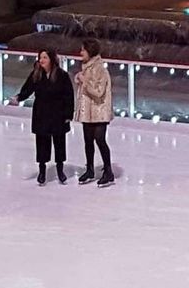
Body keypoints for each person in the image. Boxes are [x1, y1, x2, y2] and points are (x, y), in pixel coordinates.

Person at [16, 47, 74, 184]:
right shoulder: (36, 74)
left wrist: (68, 115)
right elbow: (27, 89)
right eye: (40, 57)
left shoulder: (62, 75)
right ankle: (42, 171)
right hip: (41, 114)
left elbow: (69, 96)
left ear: (52, 60)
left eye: (44, 58)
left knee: (59, 143)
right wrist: (19, 97)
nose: (41, 60)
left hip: (58, 115)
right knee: (42, 143)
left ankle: (60, 170)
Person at [72, 37, 116, 184]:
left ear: (90, 51)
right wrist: (79, 78)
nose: (80, 52)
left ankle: (108, 170)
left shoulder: (100, 70)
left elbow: (98, 92)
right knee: (88, 140)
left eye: (83, 50)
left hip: (99, 111)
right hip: (88, 112)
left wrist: (84, 82)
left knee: (100, 139)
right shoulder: (86, 68)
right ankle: (89, 169)